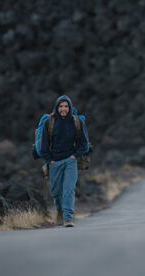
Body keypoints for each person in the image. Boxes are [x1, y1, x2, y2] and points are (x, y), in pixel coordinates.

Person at [41, 95, 89, 227]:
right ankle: (60, 211)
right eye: (61, 106)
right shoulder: (49, 122)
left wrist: (75, 156)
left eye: (66, 106)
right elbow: (43, 146)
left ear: (70, 107)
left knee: (69, 189)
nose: (63, 109)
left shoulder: (77, 122)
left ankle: (68, 218)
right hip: (54, 162)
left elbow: (84, 144)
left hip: (70, 161)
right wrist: (50, 160)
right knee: (56, 192)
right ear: (57, 107)